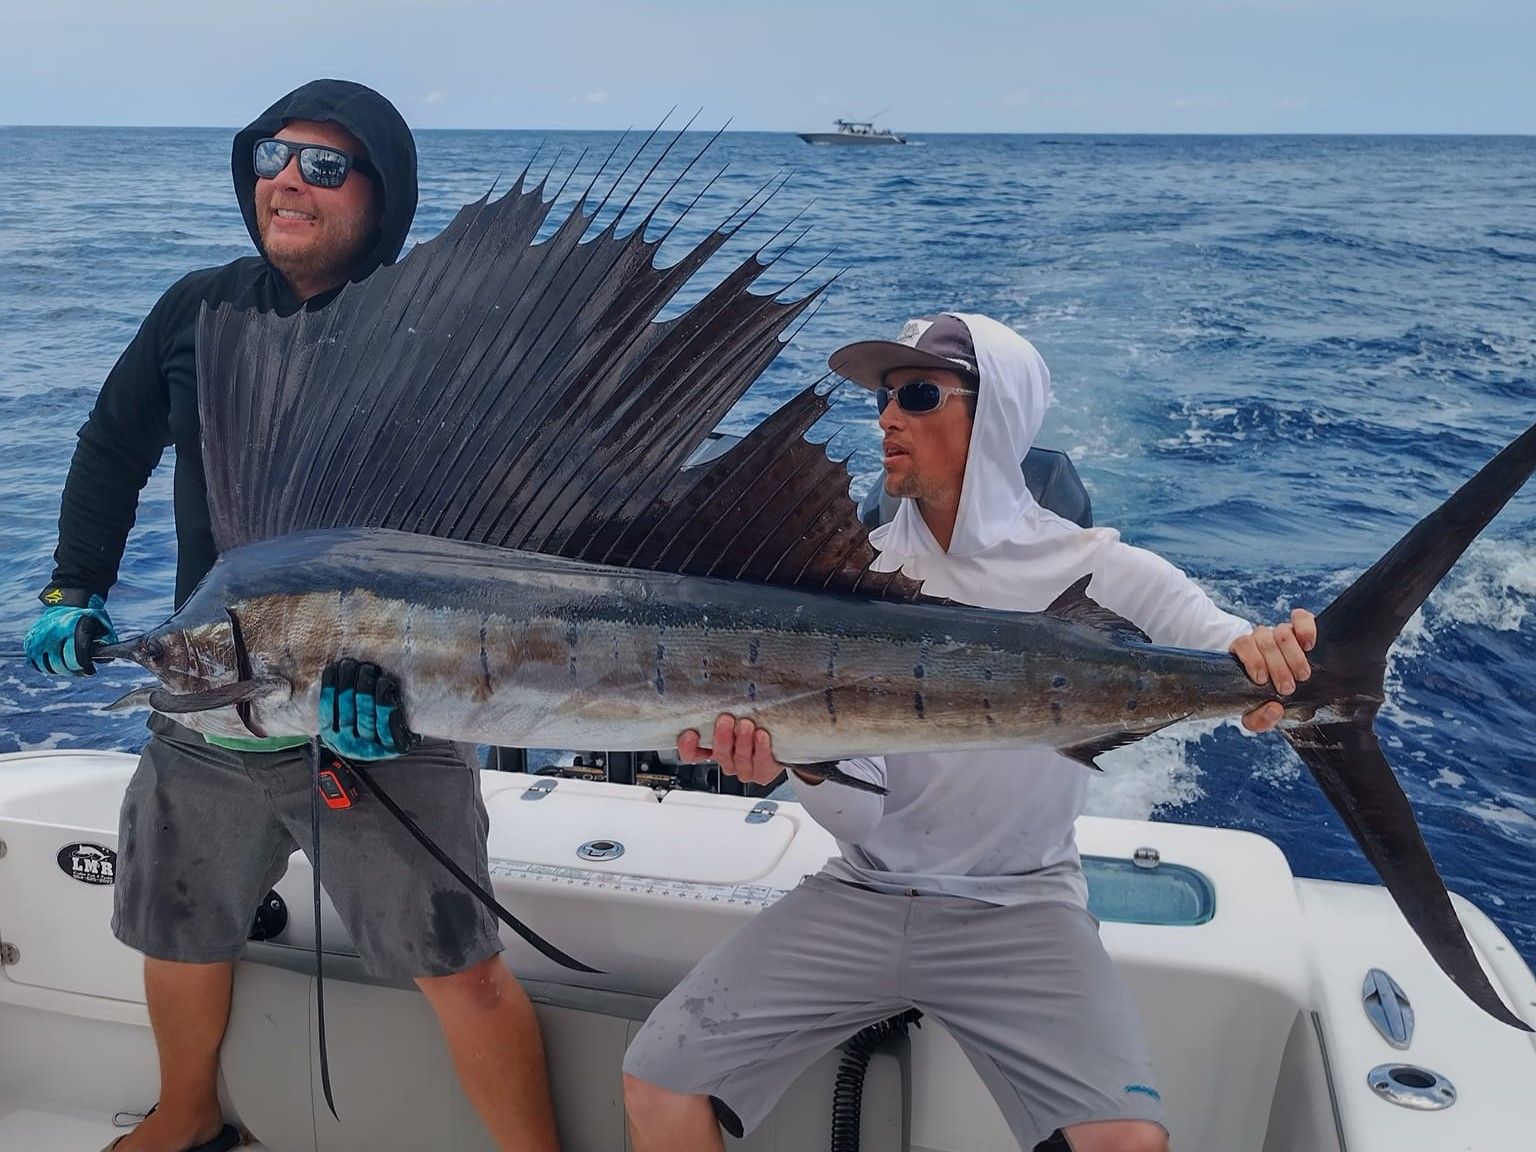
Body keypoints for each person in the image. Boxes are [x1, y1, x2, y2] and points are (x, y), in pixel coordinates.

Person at [621, 313, 1315, 1152]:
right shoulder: (854, 579)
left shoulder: (1106, 570)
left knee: (1127, 1142)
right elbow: (863, 817)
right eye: (883, 397)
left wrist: (1272, 659)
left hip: (1021, 908)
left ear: (1000, 415)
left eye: (917, 394)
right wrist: (794, 763)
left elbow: (1228, 651)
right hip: (864, 893)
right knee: (658, 1083)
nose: (886, 418)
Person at [24, 80, 559, 1152]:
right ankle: (186, 1114)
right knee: (175, 929)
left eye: (324, 165)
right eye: (273, 156)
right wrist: (73, 586)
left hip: (382, 717)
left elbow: (488, 541)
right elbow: (112, 446)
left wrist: (394, 681)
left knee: (457, 963)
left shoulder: (434, 332)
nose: (286, 181)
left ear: (381, 194)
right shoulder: (198, 309)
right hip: (213, 691)